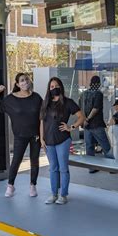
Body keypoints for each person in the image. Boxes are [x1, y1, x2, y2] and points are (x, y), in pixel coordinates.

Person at [0, 73, 43, 198]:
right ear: (17, 84)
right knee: (16, 160)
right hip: (20, 136)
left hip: (35, 135)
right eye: (22, 80)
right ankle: (10, 185)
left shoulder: (37, 98)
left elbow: (44, 115)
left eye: (26, 79)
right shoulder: (11, 99)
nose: (25, 82)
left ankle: (33, 185)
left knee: (34, 160)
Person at [40, 77, 85, 205]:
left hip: (62, 140)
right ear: (49, 89)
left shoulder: (68, 102)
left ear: (61, 87)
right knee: (53, 168)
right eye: (51, 87)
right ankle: (54, 194)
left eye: (56, 86)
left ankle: (63, 195)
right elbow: (42, 122)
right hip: (48, 141)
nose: (54, 88)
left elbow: (81, 117)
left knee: (63, 168)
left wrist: (71, 127)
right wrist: (41, 139)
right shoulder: (45, 103)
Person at [79, 76, 112, 173]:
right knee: (106, 146)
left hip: (86, 125)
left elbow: (80, 108)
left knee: (89, 147)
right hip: (96, 124)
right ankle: (112, 167)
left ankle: (91, 168)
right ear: (98, 83)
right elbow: (95, 109)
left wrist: (84, 120)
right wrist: (88, 119)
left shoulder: (84, 93)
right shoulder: (98, 94)